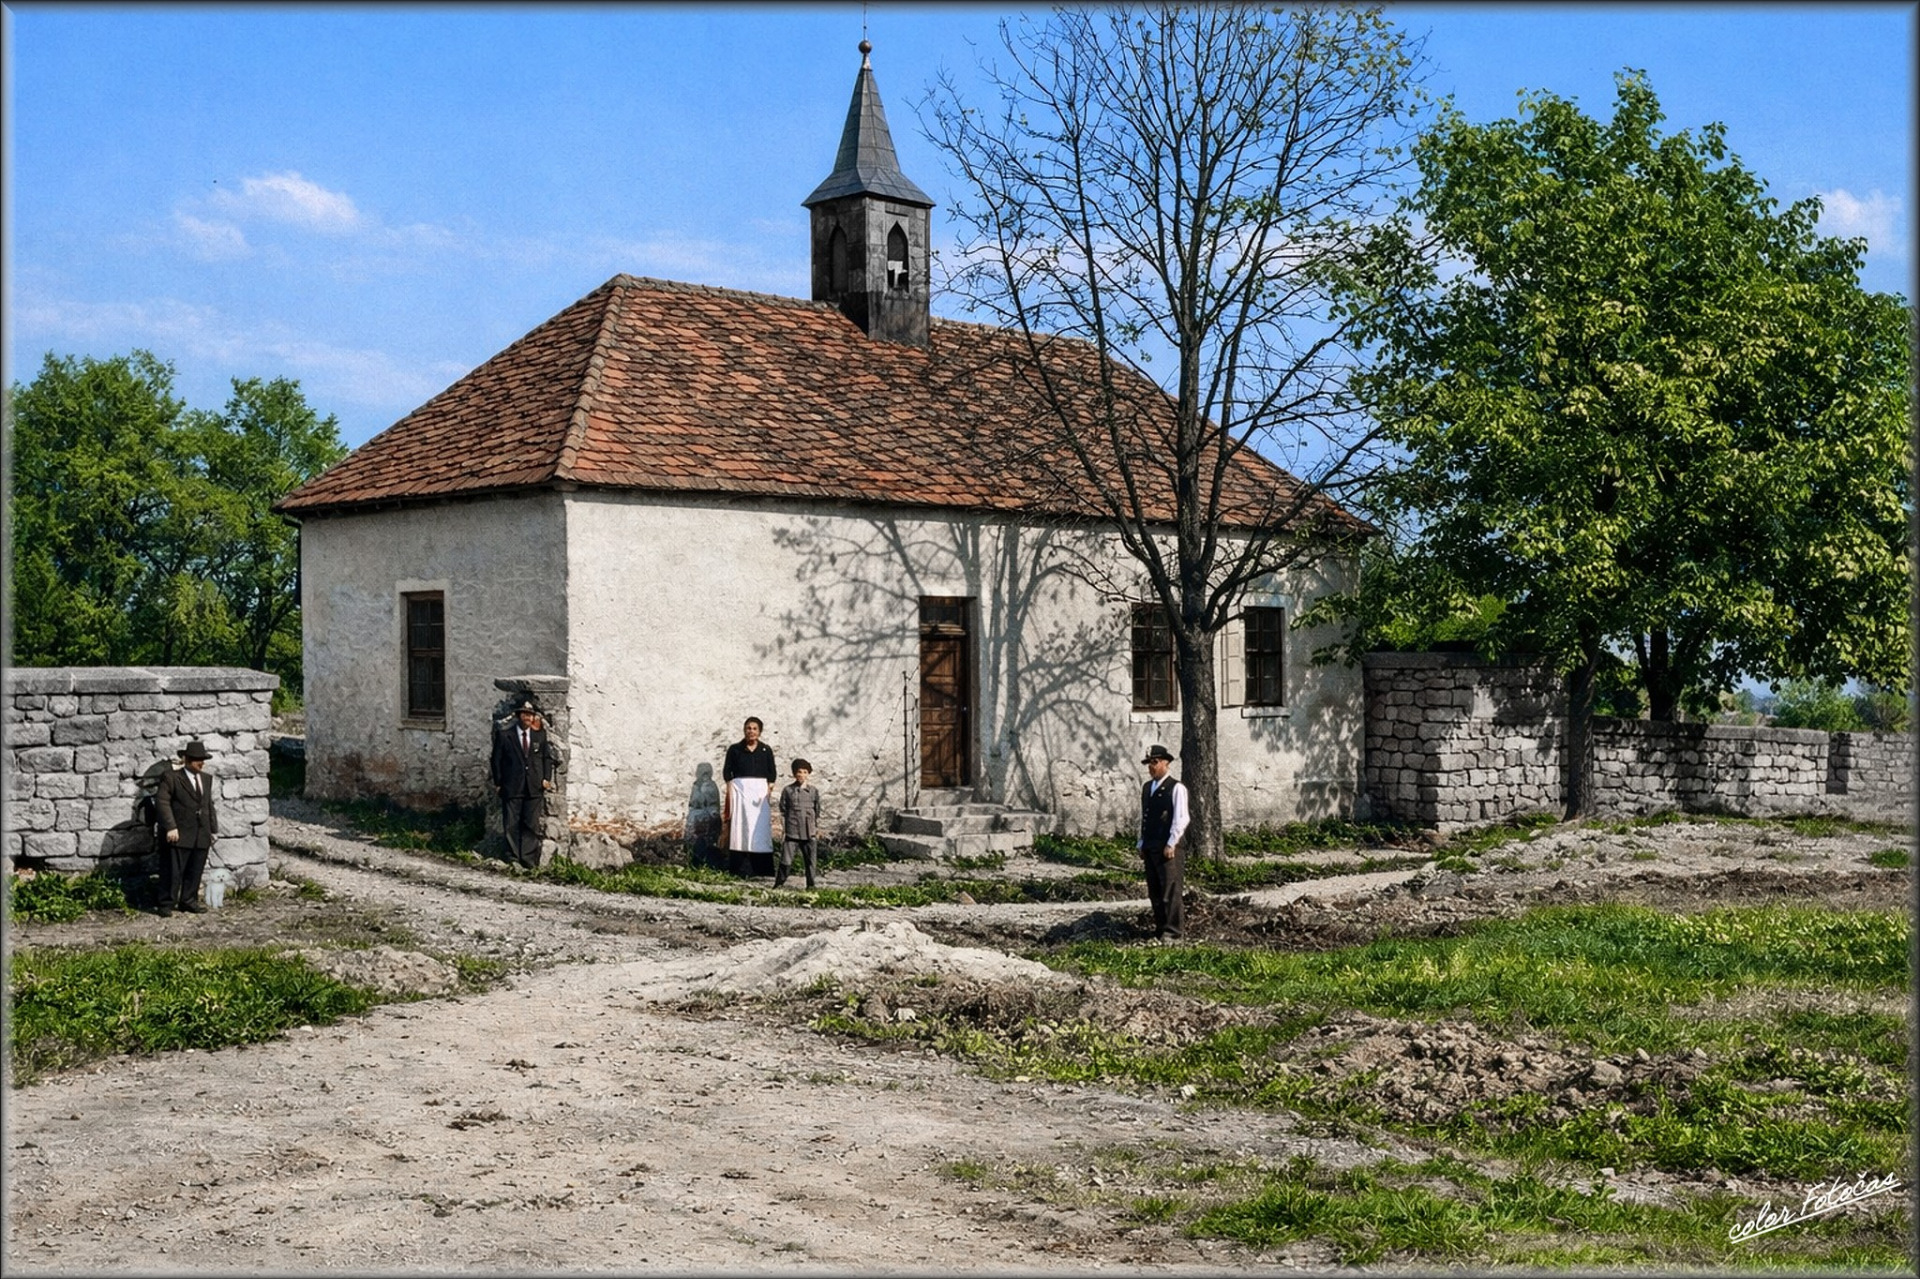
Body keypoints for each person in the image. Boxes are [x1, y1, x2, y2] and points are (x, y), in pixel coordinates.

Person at [154, 740, 218, 916]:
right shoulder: (172, 778)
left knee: (195, 869)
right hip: (180, 832)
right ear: (188, 760)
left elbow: (207, 804)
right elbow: (162, 802)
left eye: (203, 759)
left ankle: (189, 900)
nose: (202, 763)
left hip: (200, 833)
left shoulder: (206, 779)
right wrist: (170, 827)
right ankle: (166, 903)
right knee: (173, 870)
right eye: (198, 760)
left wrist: (212, 829)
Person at [490, 699, 554, 869]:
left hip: (533, 786)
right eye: (524, 714)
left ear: (533, 718)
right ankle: (513, 857)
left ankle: (528, 859)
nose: (527, 717)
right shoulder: (505, 735)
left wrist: (546, 777)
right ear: (519, 716)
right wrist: (498, 782)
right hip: (512, 786)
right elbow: (496, 760)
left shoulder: (539, 736)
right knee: (511, 823)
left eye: (530, 715)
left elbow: (547, 758)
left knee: (531, 824)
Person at [1136, 744, 1190, 940]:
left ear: (1166, 763)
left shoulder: (1176, 788)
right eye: (1149, 763)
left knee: (1170, 889)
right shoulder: (1147, 788)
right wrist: (1141, 843)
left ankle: (1174, 932)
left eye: (1155, 762)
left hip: (1168, 846)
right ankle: (1160, 928)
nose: (1151, 767)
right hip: (1150, 844)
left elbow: (1181, 817)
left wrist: (1172, 842)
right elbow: (1145, 817)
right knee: (1155, 890)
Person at [722, 716, 777, 876]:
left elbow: (772, 773)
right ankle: (739, 869)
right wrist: (732, 787)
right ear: (744, 730)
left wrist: (768, 789)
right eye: (748, 728)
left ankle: (762, 870)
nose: (751, 731)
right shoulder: (735, 749)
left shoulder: (766, 750)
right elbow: (727, 772)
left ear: (759, 732)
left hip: (759, 796)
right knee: (740, 829)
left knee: (759, 829)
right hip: (741, 794)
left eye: (754, 728)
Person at [777, 758, 823, 889]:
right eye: (799, 772)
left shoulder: (813, 791)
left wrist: (814, 827)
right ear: (794, 774)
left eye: (805, 772)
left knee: (811, 861)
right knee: (786, 859)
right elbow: (783, 808)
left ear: (808, 774)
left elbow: (817, 809)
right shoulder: (788, 790)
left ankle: (811, 885)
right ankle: (779, 883)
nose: (802, 775)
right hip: (793, 830)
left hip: (809, 832)